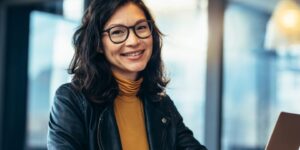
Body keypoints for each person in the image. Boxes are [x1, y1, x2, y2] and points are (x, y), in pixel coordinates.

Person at [47, 0, 207, 149]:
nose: (133, 41)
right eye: (117, 32)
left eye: (141, 27)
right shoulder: (71, 100)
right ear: (98, 45)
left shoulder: (161, 104)